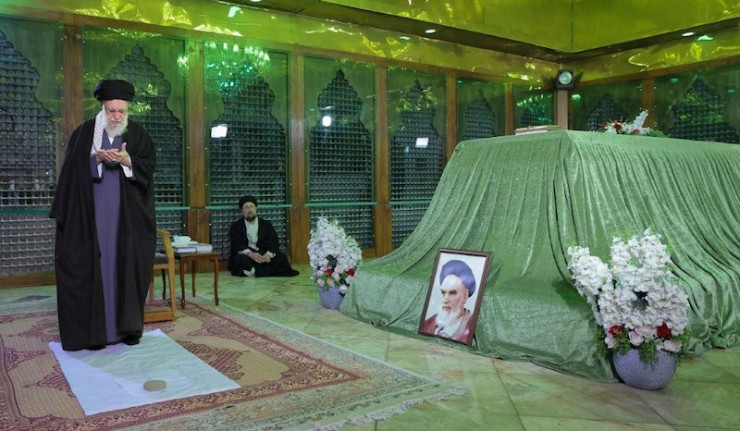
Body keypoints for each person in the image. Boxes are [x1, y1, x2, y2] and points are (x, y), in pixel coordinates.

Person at [50, 79, 156, 351]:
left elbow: (148, 168)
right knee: (91, 269)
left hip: (125, 220)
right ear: (103, 107)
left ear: (128, 109)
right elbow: (70, 174)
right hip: (90, 220)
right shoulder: (84, 133)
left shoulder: (138, 135)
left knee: (124, 267)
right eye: (111, 110)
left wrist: (128, 161)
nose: (116, 116)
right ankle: (94, 334)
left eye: (121, 111)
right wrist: (95, 159)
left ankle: (124, 330)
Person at [228, 195, 299, 277]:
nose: (249, 210)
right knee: (239, 260)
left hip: (263, 253)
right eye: (246, 207)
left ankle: (254, 271)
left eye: (251, 207)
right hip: (248, 255)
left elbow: (274, 242)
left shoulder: (266, 225)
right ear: (242, 211)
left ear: (256, 208)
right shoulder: (236, 226)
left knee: (281, 258)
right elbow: (237, 245)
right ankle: (263, 271)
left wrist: (268, 255)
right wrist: (251, 254)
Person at [420, 259, 477, 342]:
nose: (445, 300)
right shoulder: (429, 323)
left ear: (465, 296)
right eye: (443, 293)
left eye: (452, 293)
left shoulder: (472, 325)